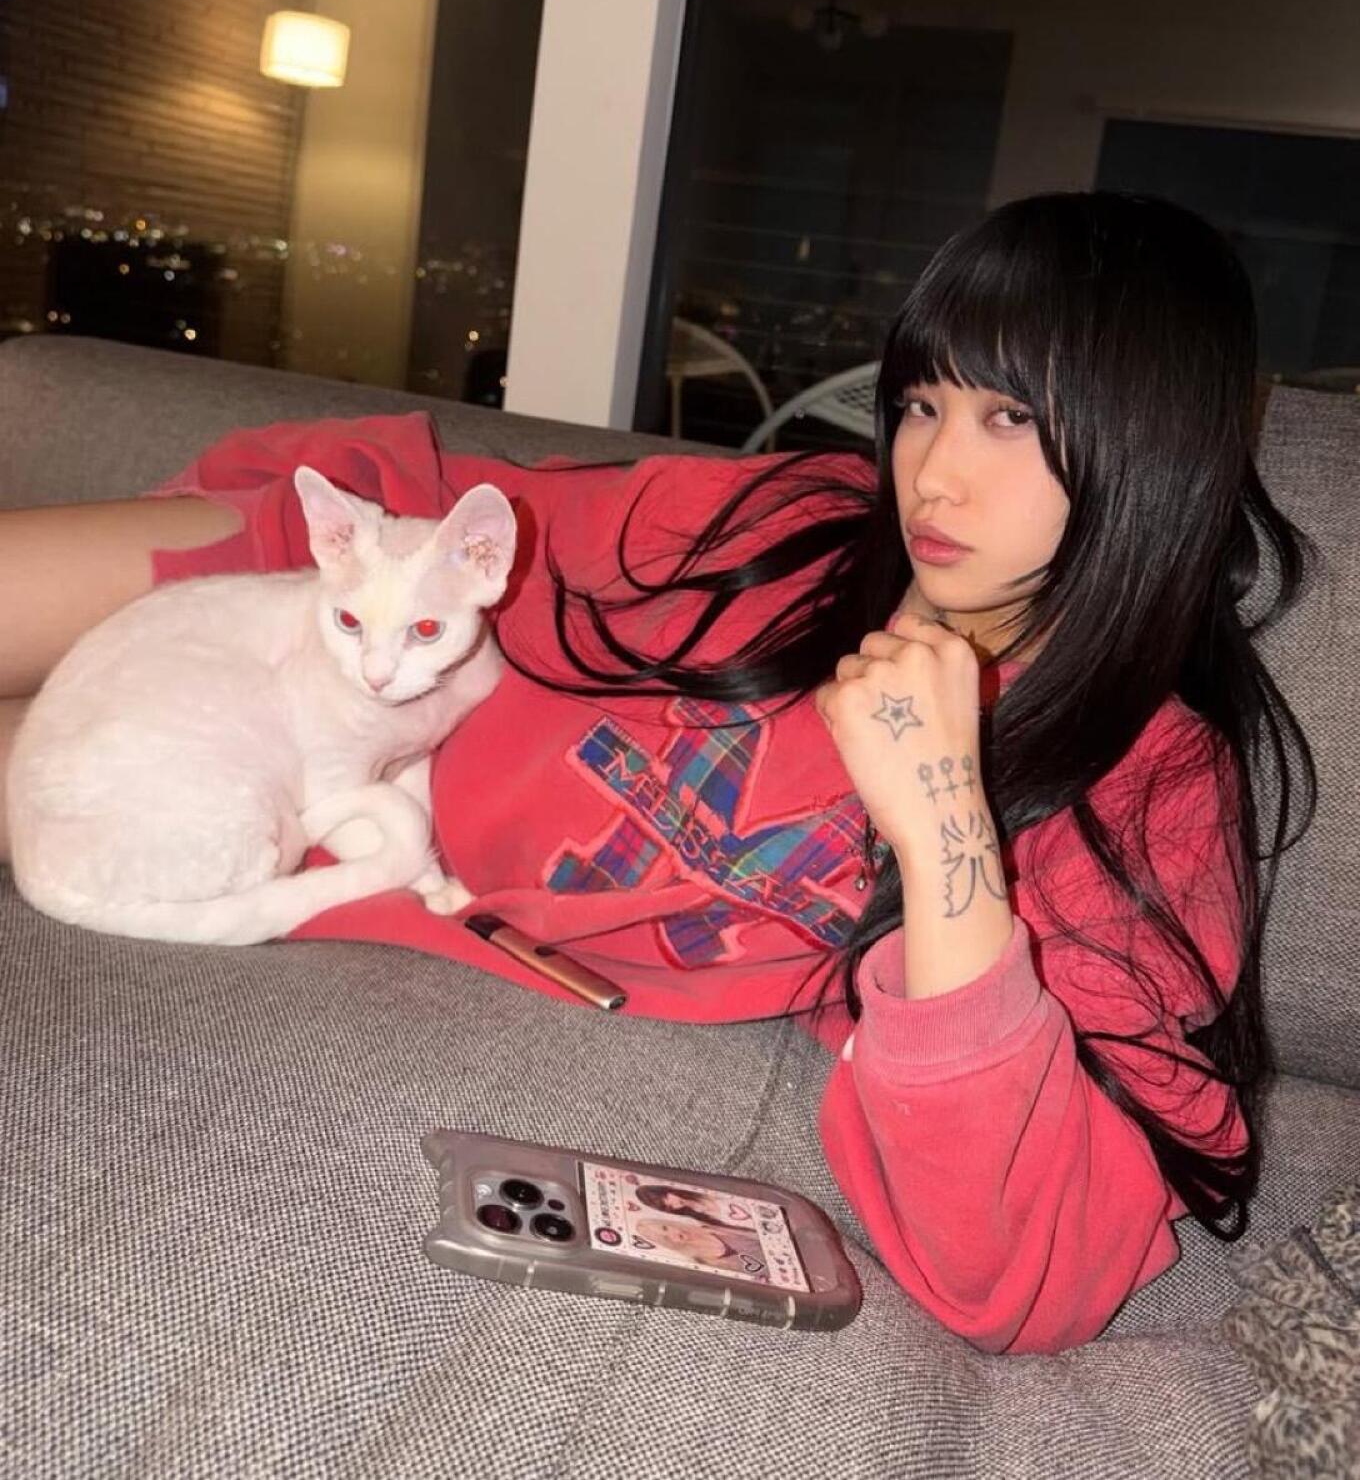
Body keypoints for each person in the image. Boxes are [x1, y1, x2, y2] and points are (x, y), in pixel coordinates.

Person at [0, 191, 1318, 1356]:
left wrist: (943, 831)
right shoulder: (800, 526)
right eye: (923, 402)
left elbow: (1027, 1277)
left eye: (1010, 417)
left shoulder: (1151, 785)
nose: (933, 472)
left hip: (303, 799)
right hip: (299, 640)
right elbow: (472, 507)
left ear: (1151, 449)